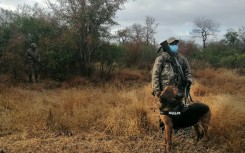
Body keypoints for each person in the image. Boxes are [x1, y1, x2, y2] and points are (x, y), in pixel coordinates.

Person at [151, 37, 192, 131]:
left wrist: (188, 80)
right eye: (172, 44)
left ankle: (176, 129)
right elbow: (155, 75)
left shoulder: (181, 58)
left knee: (178, 110)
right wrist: (157, 90)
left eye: (176, 44)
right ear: (167, 46)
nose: (175, 46)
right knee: (164, 111)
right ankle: (163, 130)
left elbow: (188, 71)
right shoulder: (161, 58)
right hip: (165, 91)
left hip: (179, 90)